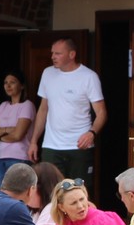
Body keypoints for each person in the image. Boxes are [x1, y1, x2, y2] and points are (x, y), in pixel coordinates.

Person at [27, 38, 106, 180]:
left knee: (79, 189)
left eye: (58, 53)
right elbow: (43, 109)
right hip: (51, 145)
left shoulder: (89, 77)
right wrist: (34, 141)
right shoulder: (47, 73)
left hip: (79, 146)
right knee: (50, 189)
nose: (53, 57)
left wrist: (91, 133)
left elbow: (101, 112)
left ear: (71, 54)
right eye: (52, 53)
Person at [0, 70, 36, 187]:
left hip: (19, 157)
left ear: (22, 85)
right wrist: (7, 130)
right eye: (5, 83)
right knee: (1, 192)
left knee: (16, 193)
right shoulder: (3, 105)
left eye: (12, 82)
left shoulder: (27, 105)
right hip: (1, 156)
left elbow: (17, 135)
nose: (8, 86)